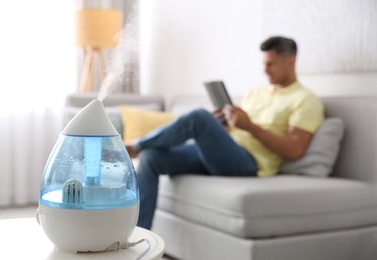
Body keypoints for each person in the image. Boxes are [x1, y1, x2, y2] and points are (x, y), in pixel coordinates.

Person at [126, 36, 324, 229]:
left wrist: (250, 126)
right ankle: (142, 240)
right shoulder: (257, 92)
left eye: (271, 64)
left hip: (249, 163)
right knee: (152, 158)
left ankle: (134, 146)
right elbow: (236, 129)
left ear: (291, 61)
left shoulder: (305, 100)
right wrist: (222, 124)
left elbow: (294, 149)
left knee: (197, 116)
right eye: (264, 64)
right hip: (224, 152)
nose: (265, 71)